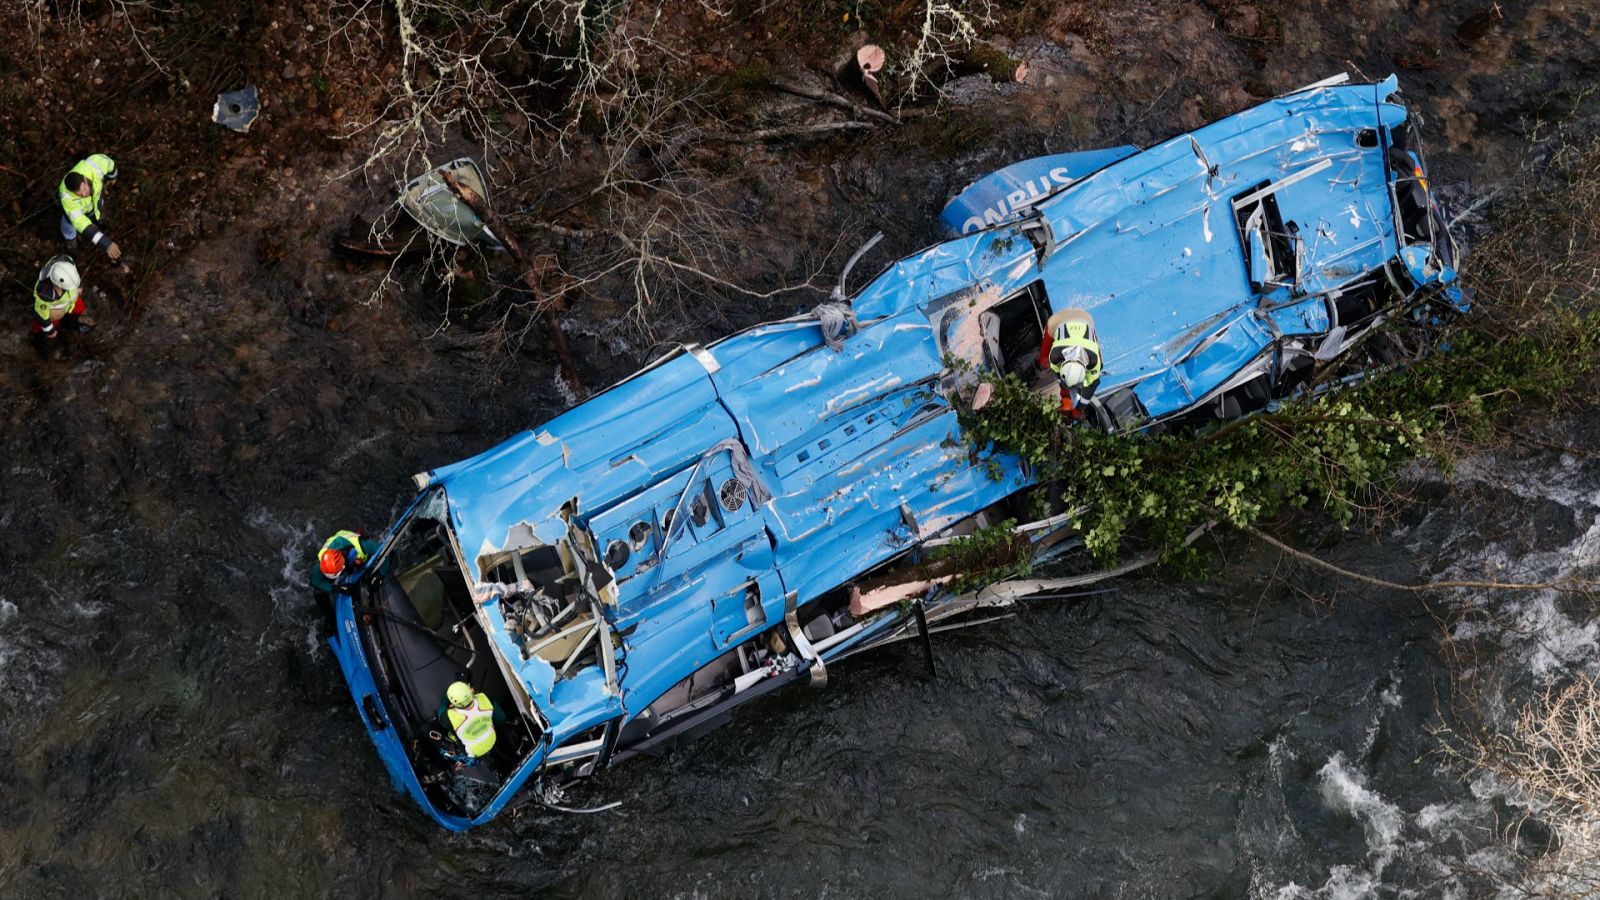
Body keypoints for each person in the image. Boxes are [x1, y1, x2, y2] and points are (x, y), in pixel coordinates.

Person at [1039, 307, 1102, 418]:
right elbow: (1059, 377)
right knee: (1044, 360)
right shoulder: (1055, 355)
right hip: (1058, 320)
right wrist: (1066, 397)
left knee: (1099, 364)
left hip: (1086, 319)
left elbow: (1093, 384)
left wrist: (1079, 409)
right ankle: (1038, 364)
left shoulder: (1094, 360)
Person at [59, 154, 122, 261]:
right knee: (68, 226)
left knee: (98, 207)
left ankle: (98, 218)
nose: (83, 194)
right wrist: (105, 243)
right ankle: (71, 244)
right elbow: (81, 223)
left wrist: (113, 176)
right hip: (75, 215)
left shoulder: (93, 165)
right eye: (78, 193)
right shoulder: (67, 199)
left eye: (83, 189)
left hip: (95, 202)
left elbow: (109, 163)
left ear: (84, 179)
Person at [309, 529, 380, 623]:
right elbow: (315, 581)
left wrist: (379, 575)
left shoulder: (359, 549)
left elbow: (377, 549)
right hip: (342, 553)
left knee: (360, 567)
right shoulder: (323, 560)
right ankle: (330, 618)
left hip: (354, 556)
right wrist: (335, 588)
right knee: (318, 592)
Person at [437, 681, 504, 766]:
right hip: (492, 739)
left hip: (473, 752)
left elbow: (441, 710)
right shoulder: (483, 697)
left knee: (452, 735)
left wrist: (447, 696)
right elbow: (501, 718)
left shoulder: (449, 717)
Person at [30, 256, 92, 339]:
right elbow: (40, 314)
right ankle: (38, 338)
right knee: (47, 322)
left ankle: (71, 324)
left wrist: (77, 286)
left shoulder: (66, 262)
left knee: (79, 308)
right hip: (54, 308)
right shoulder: (45, 295)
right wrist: (49, 330)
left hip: (70, 299)